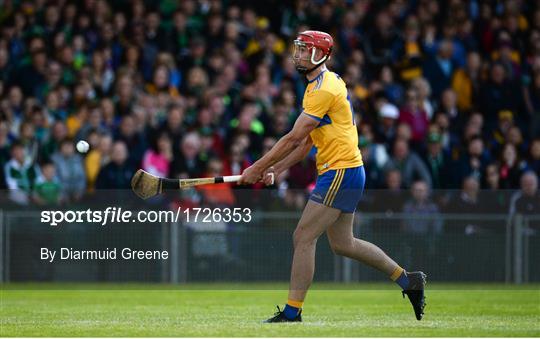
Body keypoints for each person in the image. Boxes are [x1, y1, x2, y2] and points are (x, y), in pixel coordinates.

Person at [238, 31, 426, 323]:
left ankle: (292, 312)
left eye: (304, 50)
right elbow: (307, 143)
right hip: (346, 171)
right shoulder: (319, 85)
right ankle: (408, 281)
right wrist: (277, 168)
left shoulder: (324, 88)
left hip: (341, 171)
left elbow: (293, 137)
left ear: (320, 54)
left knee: (303, 236)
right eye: (298, 49)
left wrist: (257, 167)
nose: (298, 54)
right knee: (343, 244)